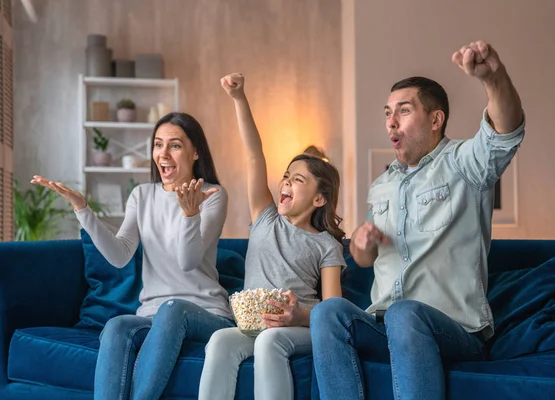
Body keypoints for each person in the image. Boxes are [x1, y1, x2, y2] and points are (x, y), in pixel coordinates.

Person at [310, 40, 525, 400]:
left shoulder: (463, 164)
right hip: (383, 323)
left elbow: (505, 133)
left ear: (436, 119)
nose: (391, 121)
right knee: (328, 313)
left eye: (404, 111)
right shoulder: (383, 185)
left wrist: (494, 79)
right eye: (387, 113)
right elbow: (365, 260)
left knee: (404, 314)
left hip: (455, 330)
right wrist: (361, 246)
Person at [32, 112, 235, 400]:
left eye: (175, 145)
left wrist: (190, 214)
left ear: (195, 152)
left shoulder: (212, 194)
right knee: (117, 325)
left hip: (205, 313)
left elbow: (187, 262)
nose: (163, 153)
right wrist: (82, 210)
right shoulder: (142, 195)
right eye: (158, 144)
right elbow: (119, 255)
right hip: (153, 313)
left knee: (173, 308)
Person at [197, 73, 346, 400]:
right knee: (220, 340)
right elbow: (254, 154)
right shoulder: (265, 218)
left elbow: (333, 310)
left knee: (270, 341)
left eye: (297, 180)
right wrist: (239, 98)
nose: (285, 184)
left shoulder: (326, 245)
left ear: (319, 199)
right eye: (285, 177)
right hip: (253, 325)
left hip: (298, 328)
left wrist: (300, 316)